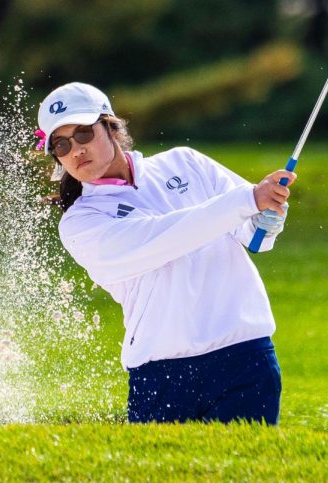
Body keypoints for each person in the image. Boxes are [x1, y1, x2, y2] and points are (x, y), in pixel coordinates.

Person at [36, 82, 295, 425]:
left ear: (110, 126)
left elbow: (255, 237)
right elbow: (164, 238)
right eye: (62, 144)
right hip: (162, 375)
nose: (76, 151)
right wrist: (247, 201)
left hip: (245, 357)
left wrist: (269, 215)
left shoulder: (185, 163)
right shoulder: (80, 223)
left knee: (252, 476)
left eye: (83, 134)